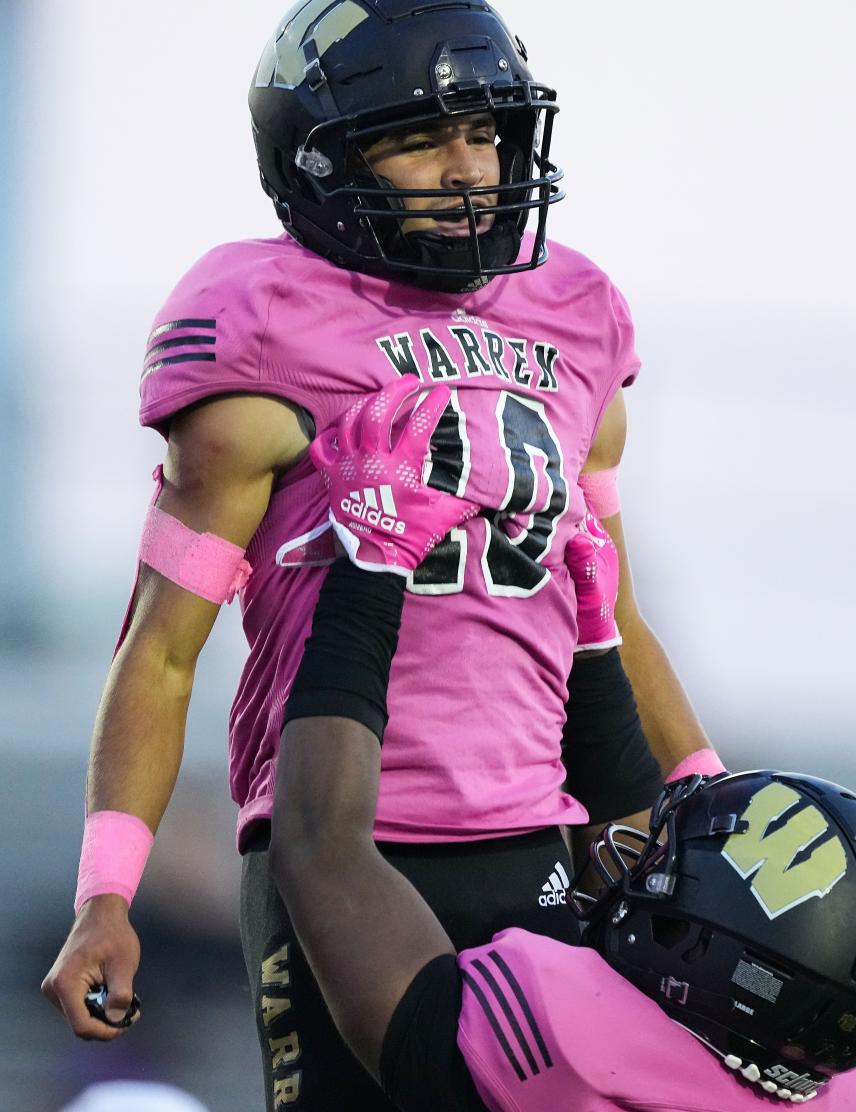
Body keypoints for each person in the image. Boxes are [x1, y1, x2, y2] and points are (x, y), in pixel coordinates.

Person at [43, 2, 714, 1106]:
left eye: (488, 131)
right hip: (334, 843)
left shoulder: (577, 313)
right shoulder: (256, 321)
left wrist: (706, 789)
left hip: (535, 835)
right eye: (423, 135)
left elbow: (617, 615)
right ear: (322, 158)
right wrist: (105, 889)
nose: (471, 168)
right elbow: (162, 650)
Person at [269, 382, 856, 1110]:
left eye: (662, 873)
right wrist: (597, 655)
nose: (639, 848)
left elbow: (319, 845)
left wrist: (373, 567)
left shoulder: (559, 1057)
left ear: (704, 965)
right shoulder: (835, 1071)